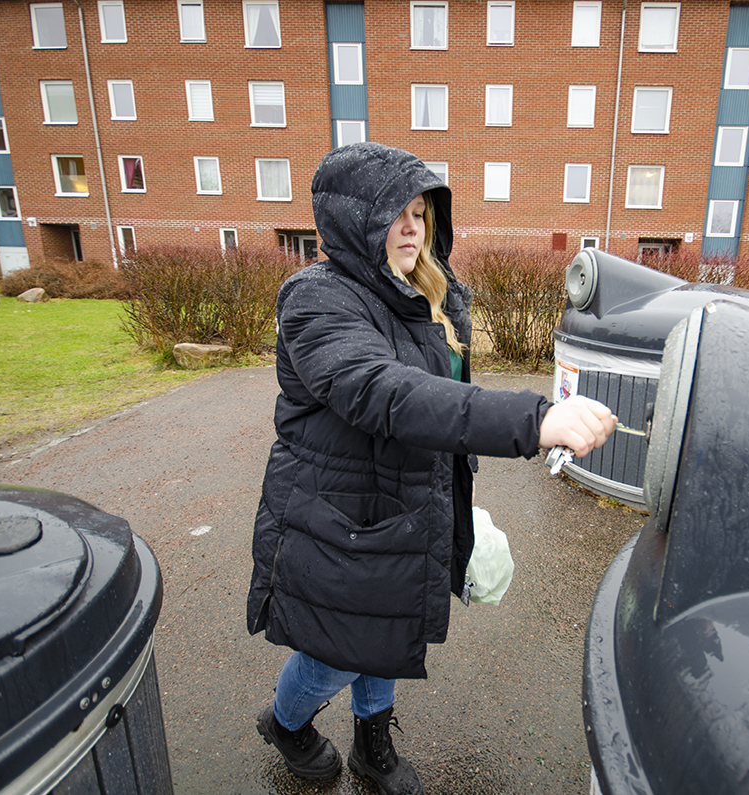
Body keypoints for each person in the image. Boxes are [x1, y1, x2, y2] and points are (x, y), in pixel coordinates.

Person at [246, 142, 615, 795]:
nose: (413, 226)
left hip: (402, 506)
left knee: (386, 627)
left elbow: (440, 402)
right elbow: (385, 393)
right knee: (334, 651)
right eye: (396, 212)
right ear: (354, 220)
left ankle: (371, 742)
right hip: (337, 511)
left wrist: (459, 490)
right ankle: (285, 723)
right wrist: (534, 421)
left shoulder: (423, 298)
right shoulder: (316, 299)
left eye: (421, 212)